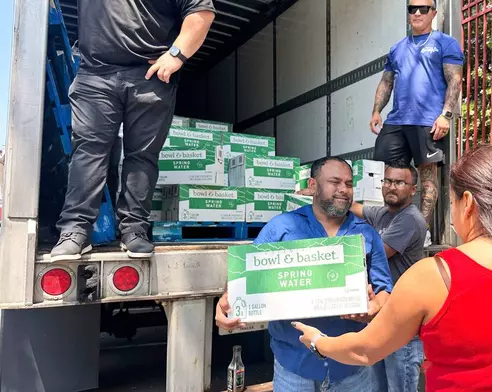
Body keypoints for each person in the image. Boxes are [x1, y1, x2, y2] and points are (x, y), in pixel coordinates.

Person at [292, 144, 492, 392]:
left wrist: (319, 342)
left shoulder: (436, 276)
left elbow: (364, 349)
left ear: (468, 203)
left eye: (452, 202)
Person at [49, 0, 216, 262]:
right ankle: (74, 231)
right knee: (88, 152)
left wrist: (176, 55)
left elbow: (201, 14)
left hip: (150, 77)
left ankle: (134, 229)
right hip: (95, 74)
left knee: (143, 155)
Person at [216, 156, 394, 392]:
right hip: (294, 368)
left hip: (351, 369)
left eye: (349, 184)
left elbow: (385, 291)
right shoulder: (282, 227)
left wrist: (374, 309)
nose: (343, 190)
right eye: (335, 182)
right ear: (312, 186)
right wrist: (226, 301)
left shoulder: (366, 235)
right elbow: (246, 272)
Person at [369, 0, 464, 238]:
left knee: (428, 179)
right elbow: (387, 81)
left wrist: (446, 115)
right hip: (397, 120)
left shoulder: (445, 43)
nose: (418, 13)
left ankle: (420, 233)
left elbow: (455, 80)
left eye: (424, 8)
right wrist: (376, 111)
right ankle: (392, 227)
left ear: (433, 13)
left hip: (428, 121)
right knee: (389, 173)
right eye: (413, 9)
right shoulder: (398, 48)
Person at [350, 160, 427, 392]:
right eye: (388, 181)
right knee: (377, 386)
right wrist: (334, 195)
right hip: (381, 318)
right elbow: (357, 208)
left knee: (399, 387)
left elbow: (378, 254)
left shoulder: (410, 219)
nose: (392, 187)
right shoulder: (383, 213)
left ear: (413, 189)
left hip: (402, 324)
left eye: (400, 182)